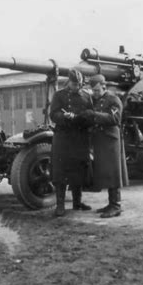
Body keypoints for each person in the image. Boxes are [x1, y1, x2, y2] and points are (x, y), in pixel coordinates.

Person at [77, 74, 128, 218]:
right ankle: (111, 203)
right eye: (94, 91)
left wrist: (94, 114)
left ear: (104, 87)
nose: (96, 93)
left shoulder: (113, 99)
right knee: (106, 173)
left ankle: (116, 205)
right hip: (101, 141)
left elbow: (115, 118)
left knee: (113, 172)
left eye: (98, 90)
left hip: (111, 140)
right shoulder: (97, 100)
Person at [49, 69, 93, 217]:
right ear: (69, 82)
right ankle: (60, 205)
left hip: (80, 138)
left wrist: (80, 117)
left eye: (80, 84)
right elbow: (53, 114)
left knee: (79, 170)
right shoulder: (59, 95)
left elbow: (91, 115)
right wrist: (64, 116)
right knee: (61, 172)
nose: (77, 87)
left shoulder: (87, 97)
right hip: (63, 138)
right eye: (75, 84)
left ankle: (77, 202)